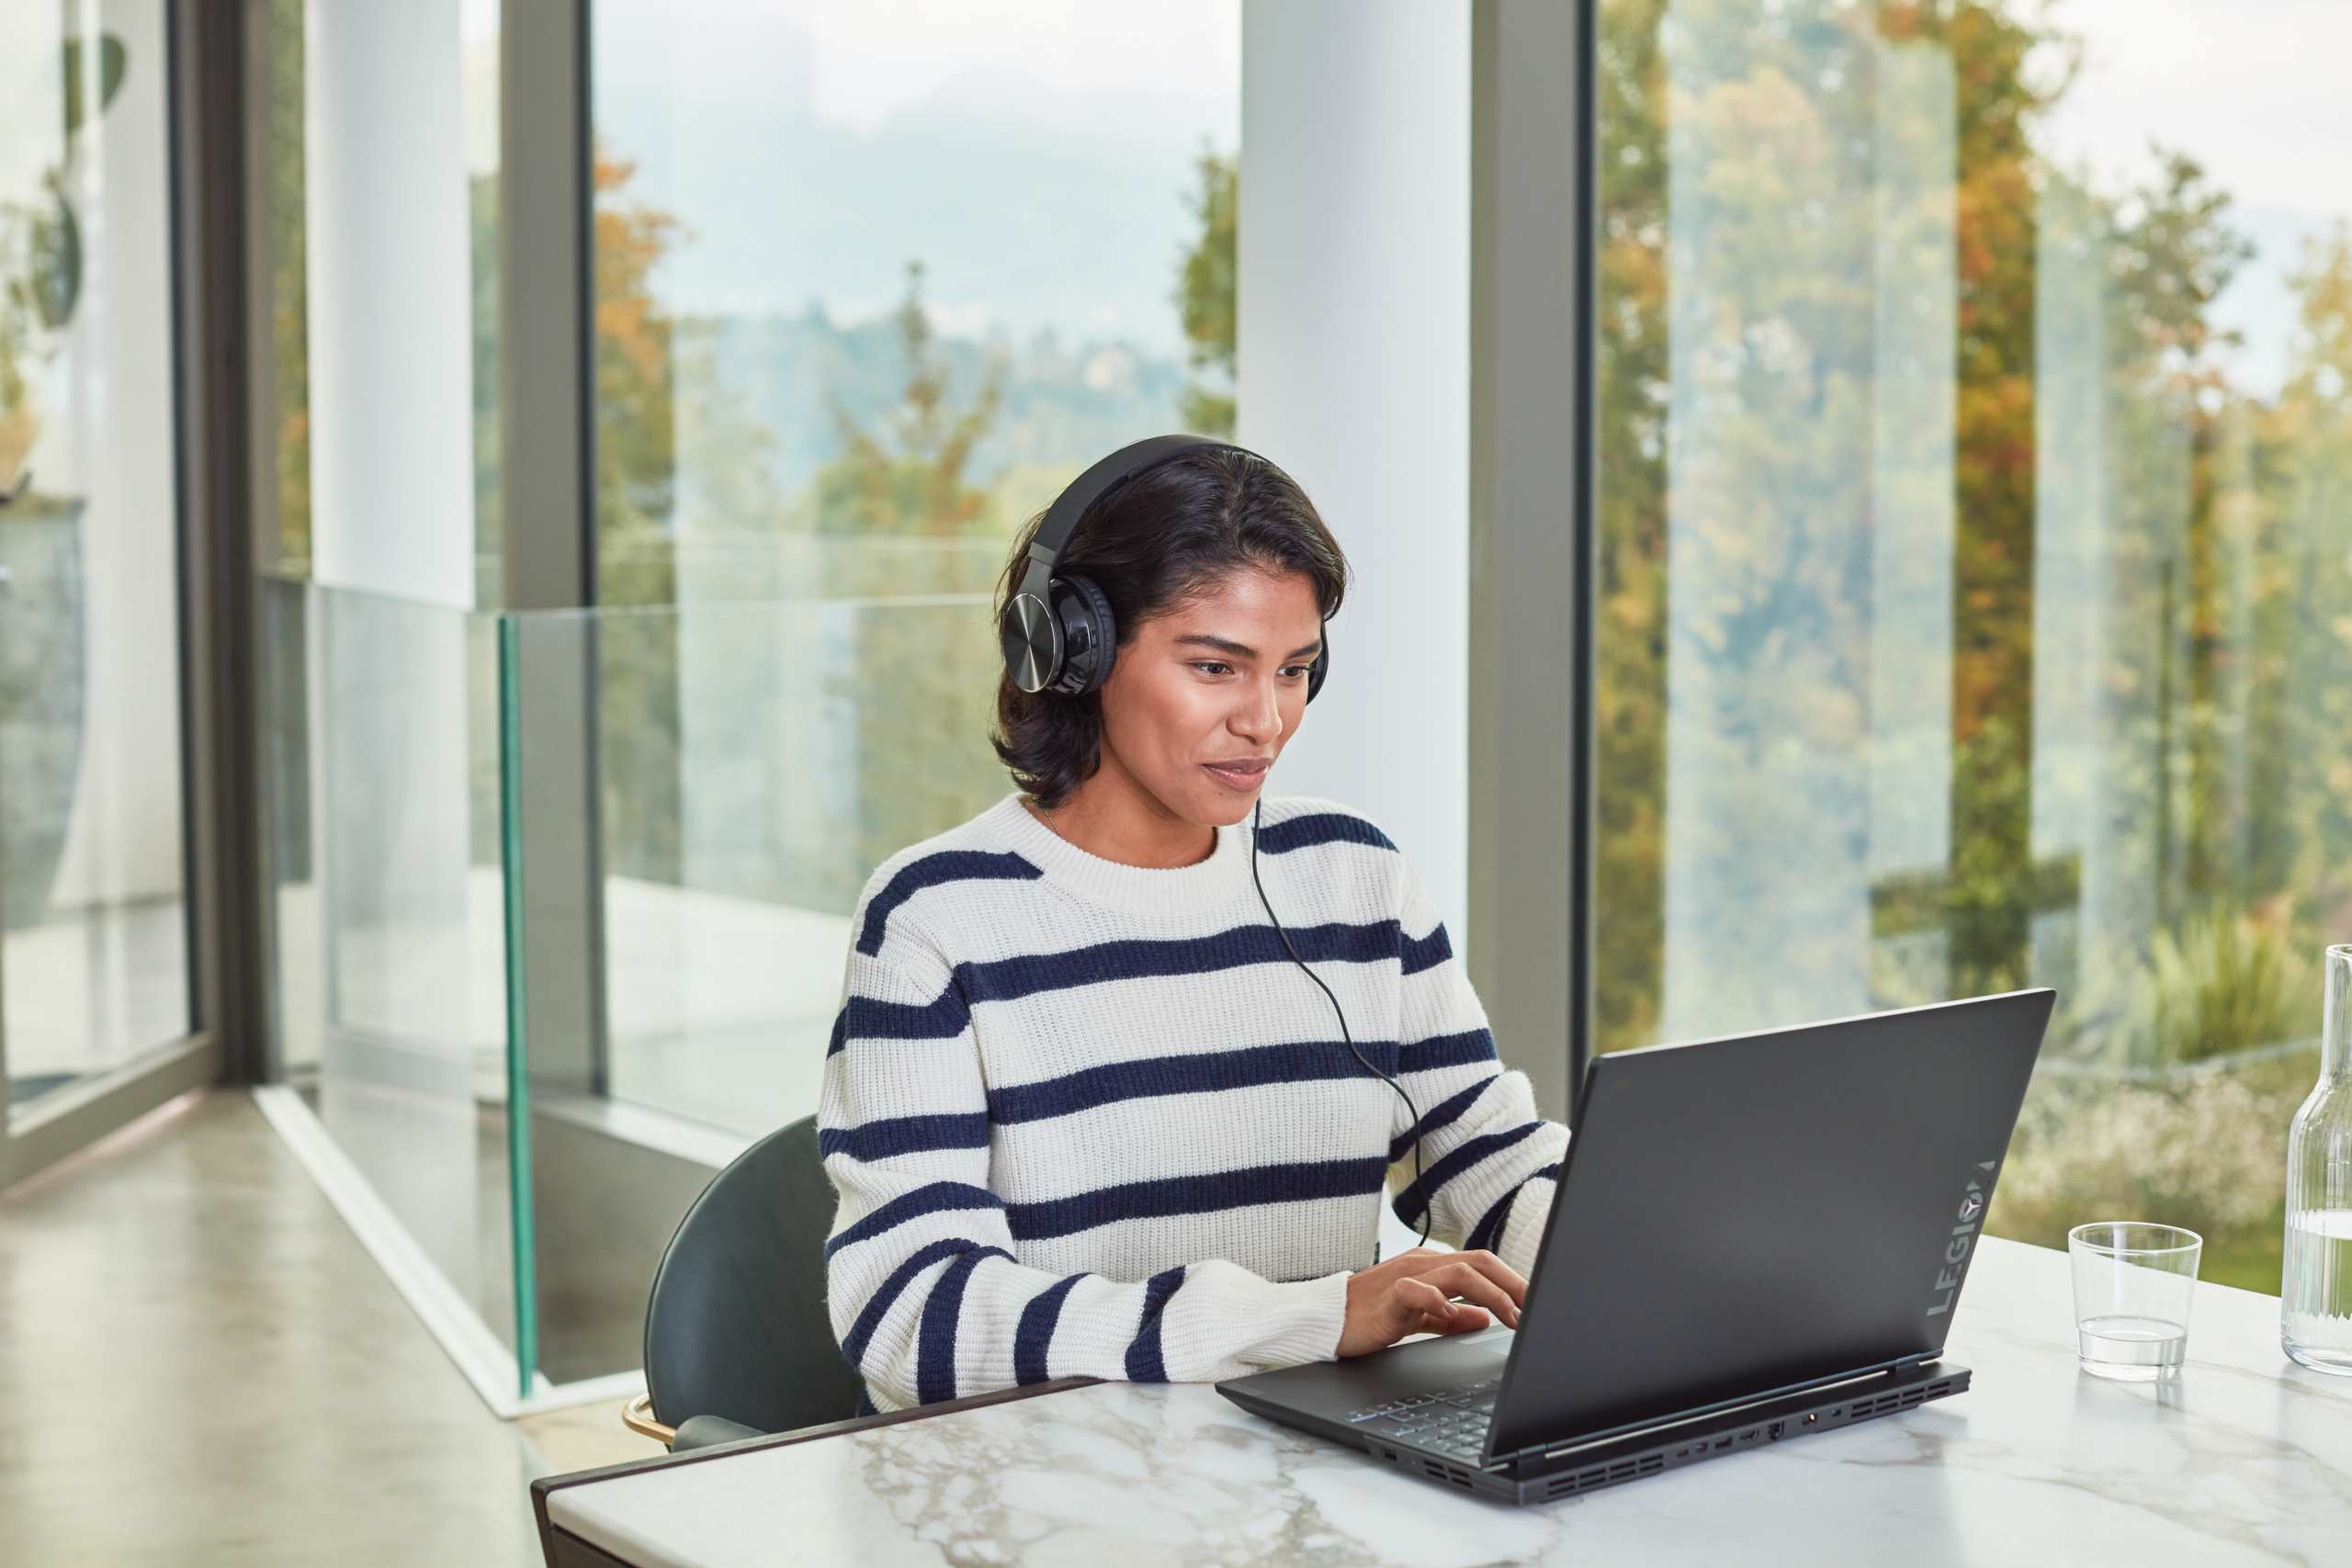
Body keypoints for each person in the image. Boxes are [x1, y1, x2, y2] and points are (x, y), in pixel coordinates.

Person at [820, 443, 1568, 1413]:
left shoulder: (1354, 877)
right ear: (1074, 651)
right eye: (1216, 667)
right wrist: (1302, 1318)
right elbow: (910, 1316)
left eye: (1294, 670)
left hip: (1300, 1470)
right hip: (1049, 1480)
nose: (1265, 721)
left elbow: (1488, 1161)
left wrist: (1663, 1255)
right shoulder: (937, 917)